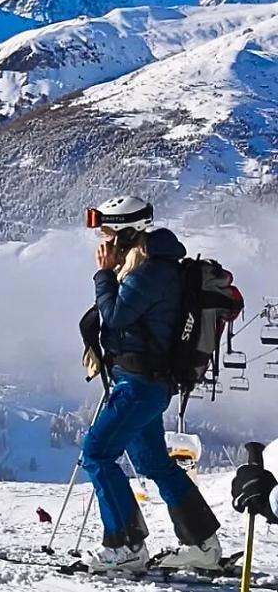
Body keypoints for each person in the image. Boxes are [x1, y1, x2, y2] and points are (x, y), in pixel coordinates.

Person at [79, 196, 222, 573]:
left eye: (108, 231)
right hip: (145, 384)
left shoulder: (151, 273)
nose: (103, 241)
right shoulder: (151, 267)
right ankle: (202, 546)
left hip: (139, 386)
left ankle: (125, 547)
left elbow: (115, 316)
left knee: (96, 454)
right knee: (153, 462)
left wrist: (104, 275)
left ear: (128, 234)